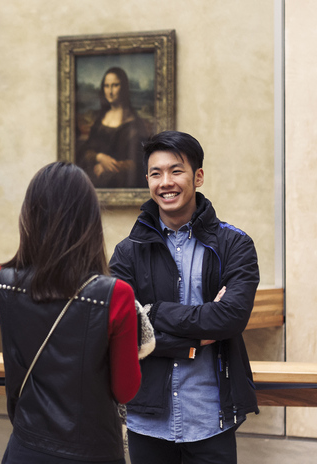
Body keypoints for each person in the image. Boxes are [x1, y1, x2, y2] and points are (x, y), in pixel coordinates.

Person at [109, 131, 260, 463]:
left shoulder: (235, 245)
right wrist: (192, 340)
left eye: (176, 171)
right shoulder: (127, 253)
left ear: (198, 177)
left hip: (211, 416)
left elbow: (230, 318)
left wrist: (153, 312)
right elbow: (121, 330)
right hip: (147, 418)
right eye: (156, 173)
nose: (166, 182)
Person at [0, 162, 141, 464]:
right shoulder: (116, 295)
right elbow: (126, 390)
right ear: (89, 220)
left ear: (30, 215)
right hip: (92, 451)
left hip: (26, 446)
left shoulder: (1, 283)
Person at [77, 67, 151, 188]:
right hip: (95, 181)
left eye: (115, 85)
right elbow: (86, 150)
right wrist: (99, 157)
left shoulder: (134, 123)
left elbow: (140, 161)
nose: (110, 91)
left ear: (124, 88)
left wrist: (111, 166)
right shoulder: (99, 119)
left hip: (122, 183)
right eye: (106, 86)